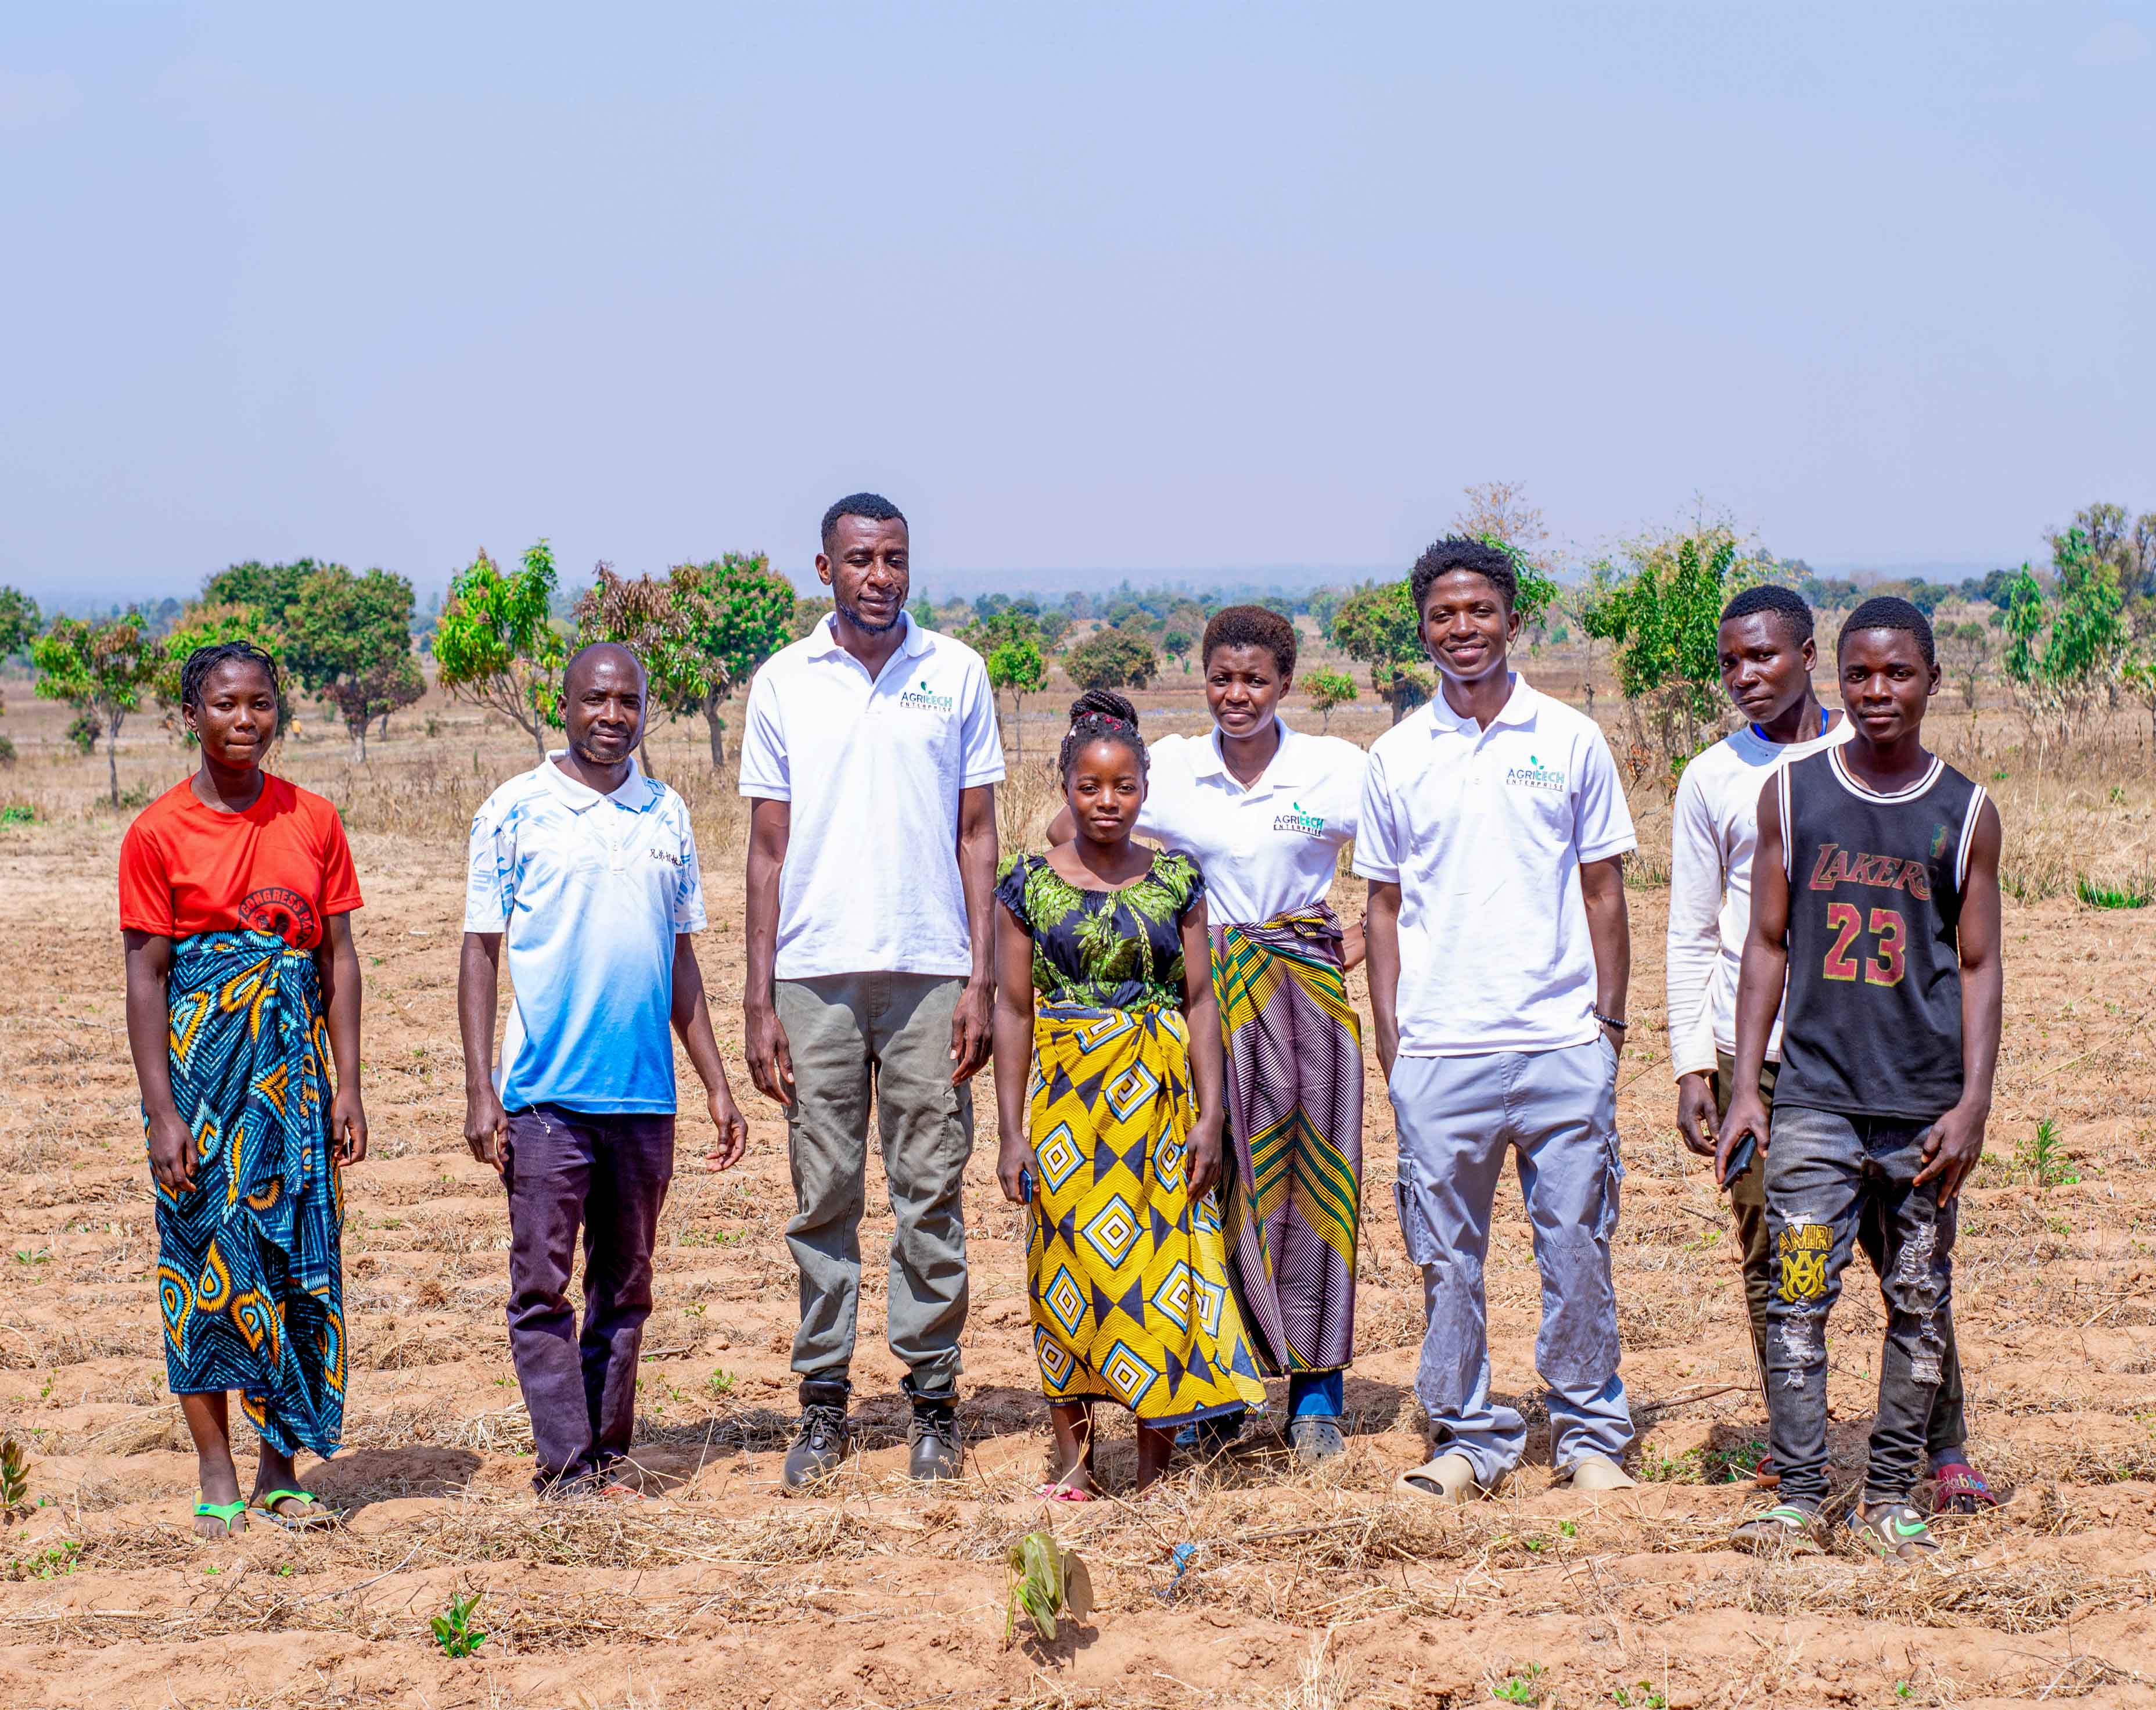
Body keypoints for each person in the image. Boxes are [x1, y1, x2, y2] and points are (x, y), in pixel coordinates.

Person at [1668, 585, 1995, 1512]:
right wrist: (1715, 1073)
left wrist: (1972, 1098)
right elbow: (1724, 937)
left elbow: (1976, 961)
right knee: (1789, 1274)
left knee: (1916, 1279)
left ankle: (1922, 1464)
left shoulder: (1932, 796)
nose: (1746, 674)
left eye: (1764, 655)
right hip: (1784, 1073)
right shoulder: (1747, 785)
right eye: (1731, 660)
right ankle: (1796, 1471)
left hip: (1906, 1079)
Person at [1047, 606, 1368, 1465]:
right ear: (1203, 680)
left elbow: (1399, 870)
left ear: (1287, 684)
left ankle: (1315, 1397)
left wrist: (1345, 949)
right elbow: (1064, 832)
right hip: (1202, 1007)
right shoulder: (1178, 769)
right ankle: (1216, 1395)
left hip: (1307, 1008)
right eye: (1222, 679)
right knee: (1205, 1191)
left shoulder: (1335, 769)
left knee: (1312, 1196)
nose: (1238, 695)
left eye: (1256, 680)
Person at [1357, 538, 1637, 1503]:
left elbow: (1604, 891)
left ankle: (1591, 1433)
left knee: (1576, 1248)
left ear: (1514, 619)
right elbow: (1383, 909)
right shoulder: (1395, 755)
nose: (1462, 630)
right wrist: (1395, 1042)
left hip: (1560, 1043)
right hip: (1440, 1053)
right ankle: (1467, 1437)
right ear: (1423, 626)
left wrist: (1607, 1031)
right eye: (1444, 615)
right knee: (1447, 1261)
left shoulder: (1568, 739)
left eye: (1480, 611)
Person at [739, 493, 1004, 1488]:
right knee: (825, 1196)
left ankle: (933, 1402)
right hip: (814, 978)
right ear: (825, 569)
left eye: (894, 557)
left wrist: (980, 976)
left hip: (934, 972)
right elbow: (766, 851)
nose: (880, 576)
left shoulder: (957, 673)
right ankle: (823, 1405)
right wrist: (759, 998)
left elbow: (978, 834)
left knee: (932, 1190)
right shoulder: (783, 683)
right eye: (861, 559)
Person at [459, 642, 748, 1500]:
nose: (612, 717)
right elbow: (480, 954)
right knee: (542, 1288)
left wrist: (716, 1082)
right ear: (565, 702)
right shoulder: (513, 811)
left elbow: (681, 960)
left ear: (645, 709)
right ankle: (566, 1467)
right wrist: (482, 1092)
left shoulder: (668, 814)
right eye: (595, 699)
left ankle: (608, 1455)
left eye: (628, 701)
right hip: (545, 1100)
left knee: (626, 1290)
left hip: (643, 1098)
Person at [994, 689, 1267, 1496]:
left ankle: (1153, 1469)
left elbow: (1202, 1000)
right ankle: (1076, 1467)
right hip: (1070, 1113)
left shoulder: (1176, 879)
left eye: (1123, 788)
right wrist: (1010, 1132)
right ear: (1064, 787)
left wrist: (1211, 1117)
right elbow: (1013, 1010)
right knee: (1065, 1278)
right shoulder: (1027, 886)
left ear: (1144, 790)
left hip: (1157, 1108)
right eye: (1089, 787)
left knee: (1158, 1284)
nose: (1106, 803)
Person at [119, 641, 365, 1536]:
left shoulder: (315, 820)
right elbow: (146, 979)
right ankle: (216, 1467)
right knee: (202, 1272)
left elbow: (337, 959)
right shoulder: (156, 832)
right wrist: (162, 1112)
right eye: (225, 705)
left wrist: (349, 1088)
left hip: (295, 1093)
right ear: (193, 715)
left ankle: (279, 1469)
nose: (244, 721)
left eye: (260, 704)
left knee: (296, 1274)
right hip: (203, 1090)